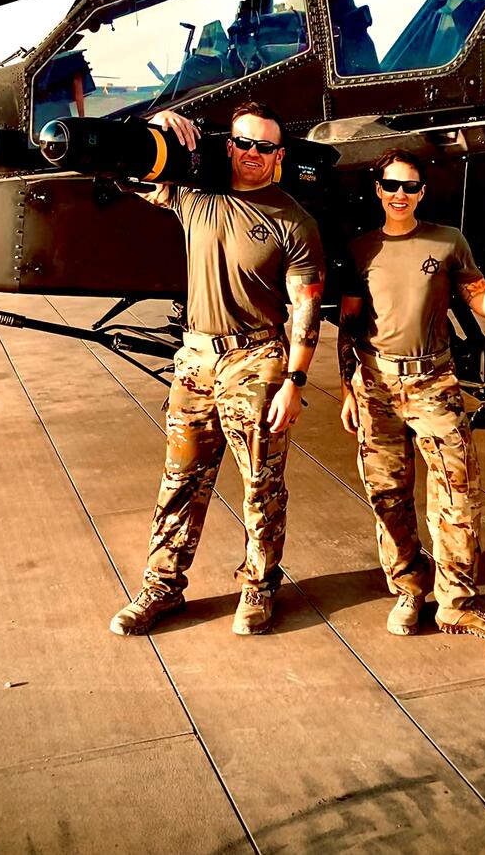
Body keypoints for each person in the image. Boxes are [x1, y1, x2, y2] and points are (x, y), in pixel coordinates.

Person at [110, 100, 325, 638]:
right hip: (196, 359)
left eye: (266, 147)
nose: (254, 155)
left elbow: (306, 309)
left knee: (260, 482)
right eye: (245, 143)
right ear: (229, 145)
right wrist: (152, 128)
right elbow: (124, 173)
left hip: (258, 359)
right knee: (180, 479)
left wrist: (295, 381)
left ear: (279, 155)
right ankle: (161, 588)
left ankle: (259, 584)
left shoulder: (293, 220)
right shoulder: (195, 196)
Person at [338, 148, 485, 639]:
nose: (400, 195)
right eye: (392, 185)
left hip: (433, 384)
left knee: (456, 495)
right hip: (375, 383)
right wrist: (349, 391)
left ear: (422, 192)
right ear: (378, 189)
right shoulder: (361, 250)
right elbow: (350, 324)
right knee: (387, 497)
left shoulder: (447, 243)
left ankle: (455, 602)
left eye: (410, 187)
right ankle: (408, 589)